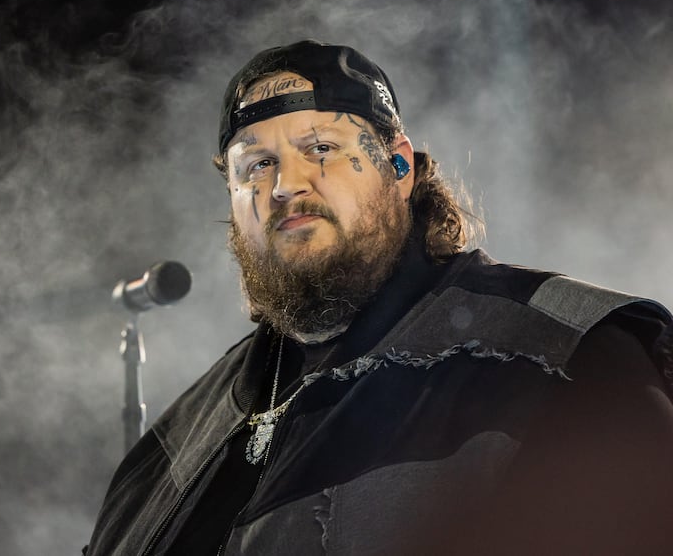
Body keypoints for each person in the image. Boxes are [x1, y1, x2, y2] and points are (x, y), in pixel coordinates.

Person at [84, 40, 673, 555]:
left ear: (398, 165)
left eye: (319, 148)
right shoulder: (171, 446)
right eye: (257, 164)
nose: (286, 185)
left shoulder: (568, 356)